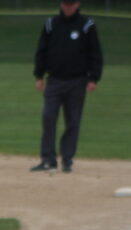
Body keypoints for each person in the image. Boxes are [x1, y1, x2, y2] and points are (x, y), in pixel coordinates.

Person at [30, 0, 103, 174]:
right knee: (48, 118)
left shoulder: (86, 25)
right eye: (65, 4)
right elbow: (42, 50)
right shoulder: (51, 24)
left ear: (77, 5)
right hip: (54, 80)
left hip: (77, 82)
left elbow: (95, 52)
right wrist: (39, 75)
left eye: (70, 4)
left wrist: (94, 78)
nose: (67, 7)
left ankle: (67, 159)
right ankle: (48, 159)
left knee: (73, 121)